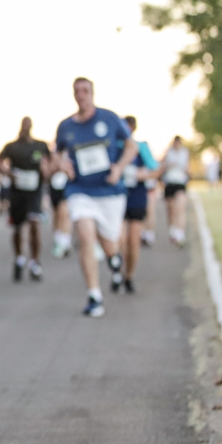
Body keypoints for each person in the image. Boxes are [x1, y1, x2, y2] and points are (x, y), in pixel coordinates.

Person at [53, 78, 138, 317]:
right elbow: (56, 154)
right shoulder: (66, 126)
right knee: (85, 236)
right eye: (77, 91)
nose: (81, 95)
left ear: (92, 93)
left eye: (85, 91)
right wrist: (62, 165)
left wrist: (119, 168)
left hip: (109, 191)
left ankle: (113, 257)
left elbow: (131, 147)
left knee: (110, 242)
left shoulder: (109, 119)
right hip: (80, 190)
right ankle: (94, 295)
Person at [0, 117, 50, 283]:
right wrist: (8, 173)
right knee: (18, 227)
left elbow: (50, 162)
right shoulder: (12, 147)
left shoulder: (40, 145)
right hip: (17, 192)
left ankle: (35, 261)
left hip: (34, 191)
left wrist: (46, 171)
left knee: (34, 223)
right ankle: (19, 257)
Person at [120, 116, 160, 293]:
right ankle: (119, 272)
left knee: (133, 241)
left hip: (137, 197)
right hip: (118, 198)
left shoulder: (141, 147)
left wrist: (142, 175)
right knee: (120, 240)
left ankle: (129, 275)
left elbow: (155, 170)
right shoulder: (116, 147)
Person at [162, 135, 191, 247]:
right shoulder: (168, 153)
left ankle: (180, 233)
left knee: (180, 209)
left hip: (180, 183)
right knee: (171, 209)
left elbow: (187, 168)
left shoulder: (185, 153)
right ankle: (173, 230)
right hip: (170, 182)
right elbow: (162, 166)